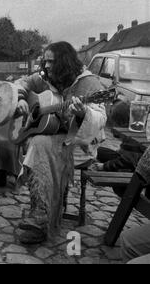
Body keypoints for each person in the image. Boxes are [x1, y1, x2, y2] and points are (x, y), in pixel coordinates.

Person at [15, 41, 107, 244]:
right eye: (45, 61)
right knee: (36, 142)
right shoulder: (47, 78)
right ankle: (42, 209)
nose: (46, 66)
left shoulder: (89, 83)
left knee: (38, 144)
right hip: (54, 136)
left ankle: (41, 217)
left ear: (64, 62)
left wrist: (84, 112)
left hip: (78, 143)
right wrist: (22, 98)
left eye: (51, 62)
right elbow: (22, 83)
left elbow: (101, 117)